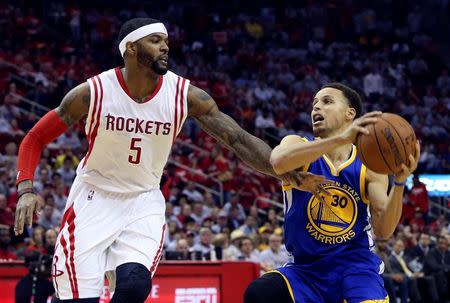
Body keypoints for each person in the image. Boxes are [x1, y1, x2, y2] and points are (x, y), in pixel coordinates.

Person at [14, 18, 325, 303]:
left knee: (134, 287)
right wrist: (26, 187)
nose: (165, 46)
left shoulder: (184, 95)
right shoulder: (94, 92)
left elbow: (238, 139)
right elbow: (34, 138)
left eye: (166, 40)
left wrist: (282, 171)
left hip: (143, 200)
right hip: (94, 198)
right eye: (155, 40)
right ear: (131, 48)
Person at [244, 82, 421, 303]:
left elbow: (384, 230)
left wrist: (400, 182)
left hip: (355, 268)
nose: (316, 108)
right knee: (260, 294)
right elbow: (278, 162)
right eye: (314, 104)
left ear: (350, 114)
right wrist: (340, 139)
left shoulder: (369, 165)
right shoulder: (296, 144)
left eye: (327, 101)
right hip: (305, 270)